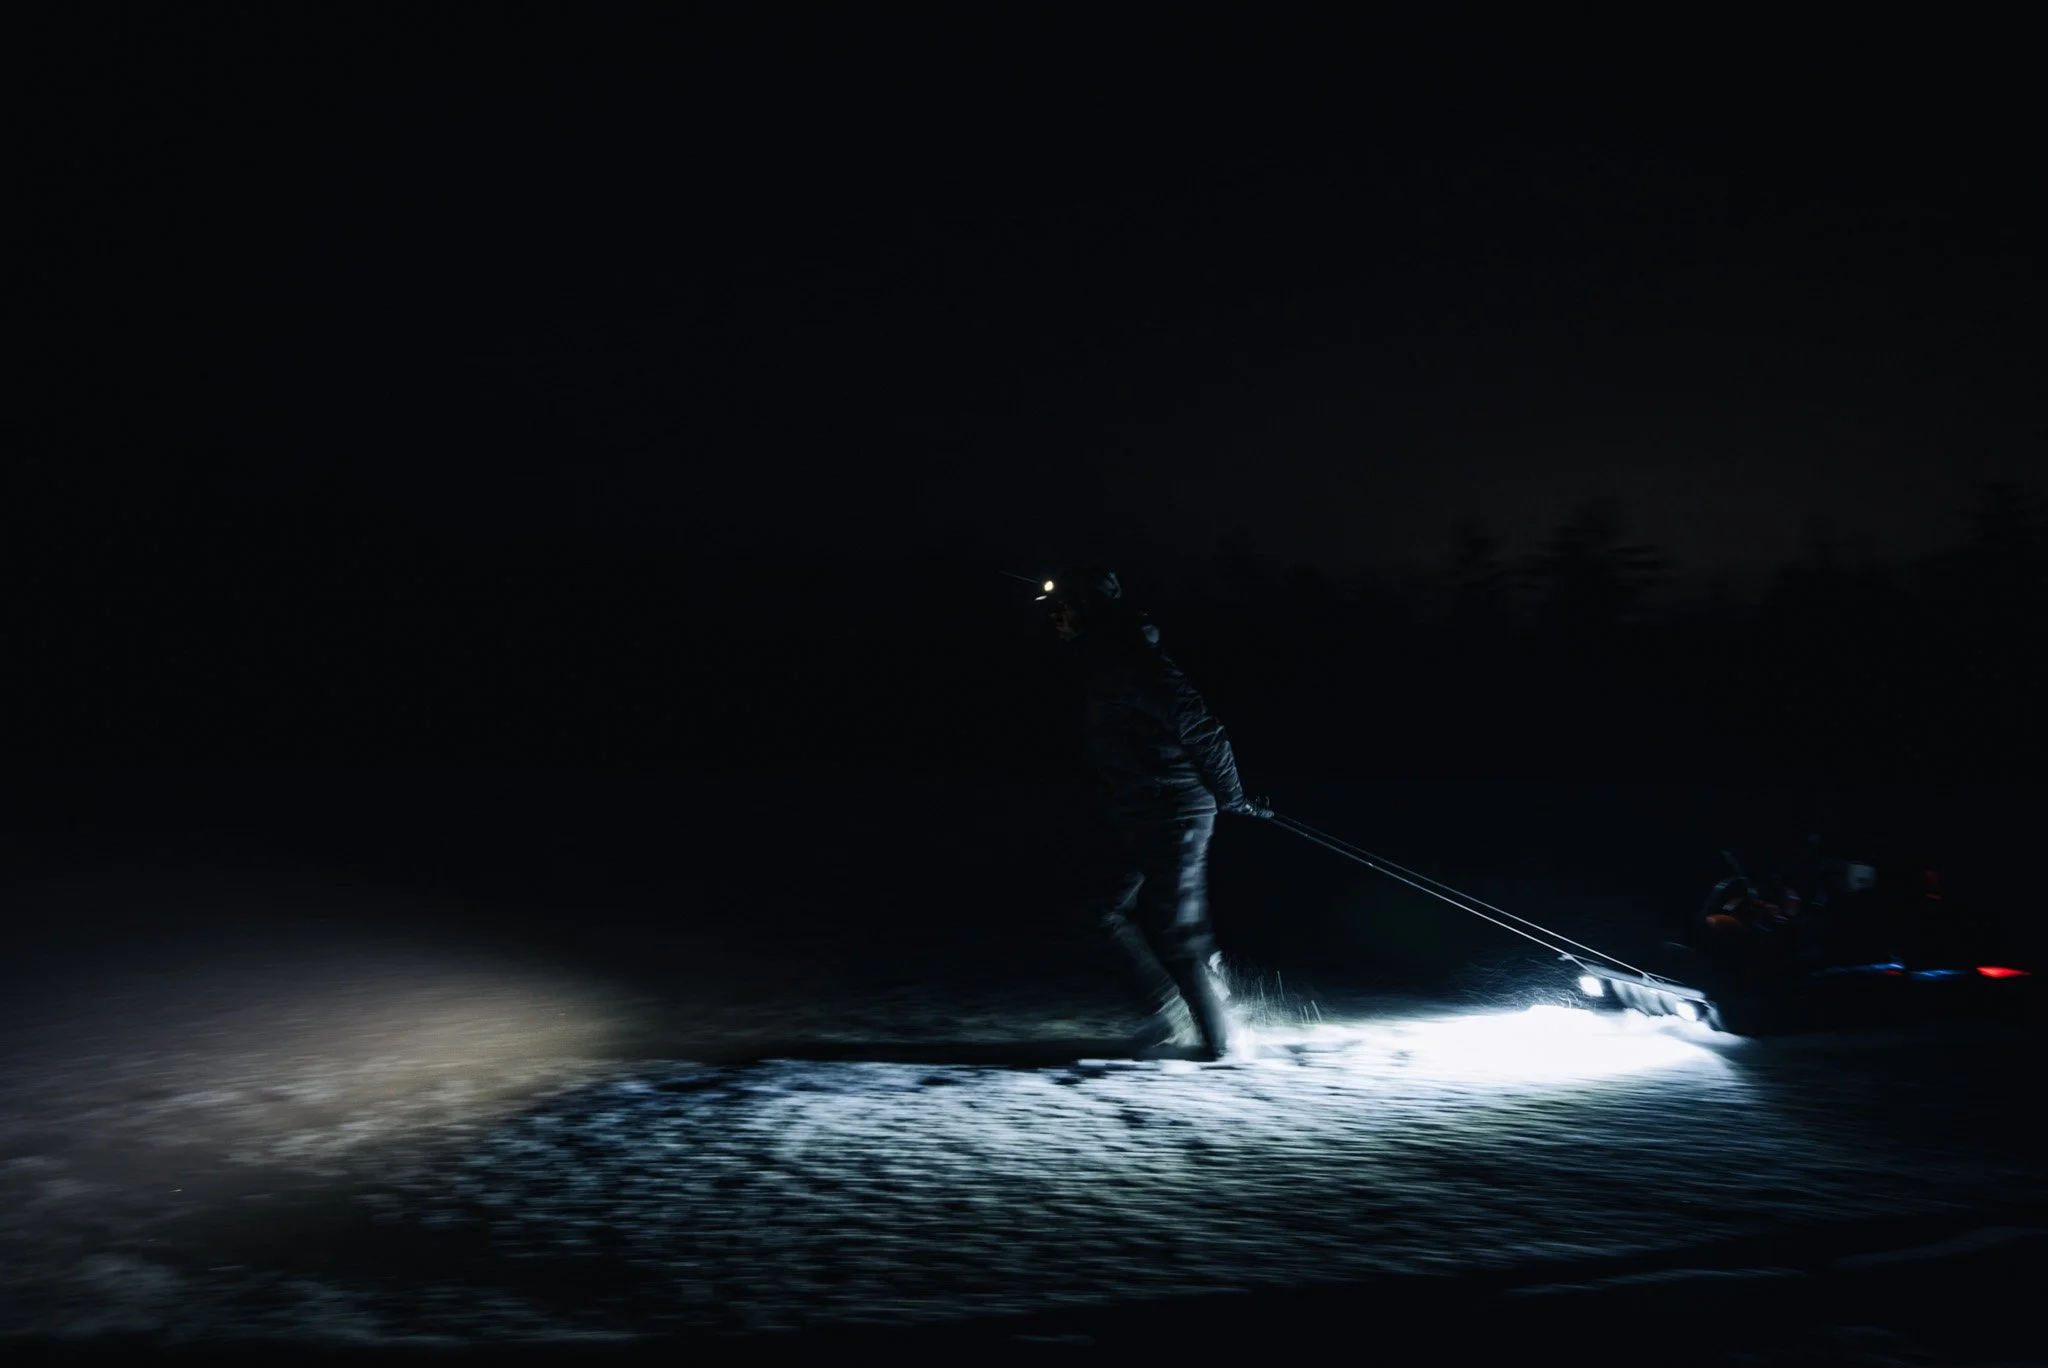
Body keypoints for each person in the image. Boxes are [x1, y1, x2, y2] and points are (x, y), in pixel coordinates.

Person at [1041, 567, 1270, 1061]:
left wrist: (1231, 795)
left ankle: (1221, 1048)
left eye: (1065, 607)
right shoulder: (1099, 660)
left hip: (1174, 810)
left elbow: (1205, 730)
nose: (1055, 617)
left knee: (1175, 931)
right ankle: (1170, 1017)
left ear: (1090, 609)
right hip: (1135, 811)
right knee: (1100, 911)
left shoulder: (1133, 660)